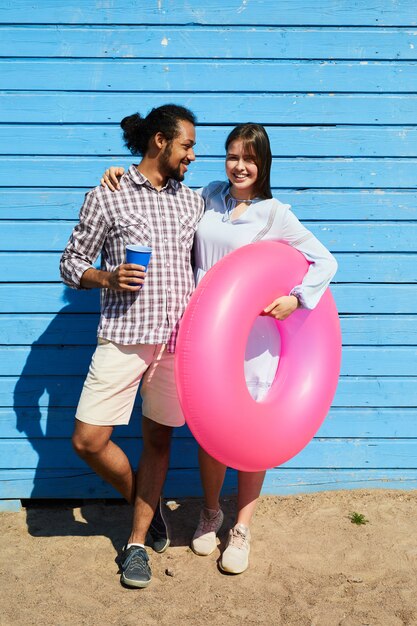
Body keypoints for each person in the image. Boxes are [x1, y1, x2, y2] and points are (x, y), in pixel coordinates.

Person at [100, 122, 338, 575]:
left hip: (256, 341)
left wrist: (297, 298)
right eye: (233, 156)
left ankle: (243, 526)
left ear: (262, 163)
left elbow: (325, 260)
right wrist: (118, 172)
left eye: (249, 158)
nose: (240, 166)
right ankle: (211, 511)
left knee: (256, 431)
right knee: (212, 428)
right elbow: (156, 186)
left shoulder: (275, 213)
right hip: (204, 338)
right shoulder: (208, 195)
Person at [60, 104, 204, 589]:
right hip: (124, 336)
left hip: (176, 341)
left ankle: (137, 543)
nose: (192, 155)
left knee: (159, 439)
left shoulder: (194, 201)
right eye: (187, 145)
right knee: (88, 440)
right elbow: (70, 263)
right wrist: (106, 276)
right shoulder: (109, 194)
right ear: (160, 141)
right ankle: (142, 498)